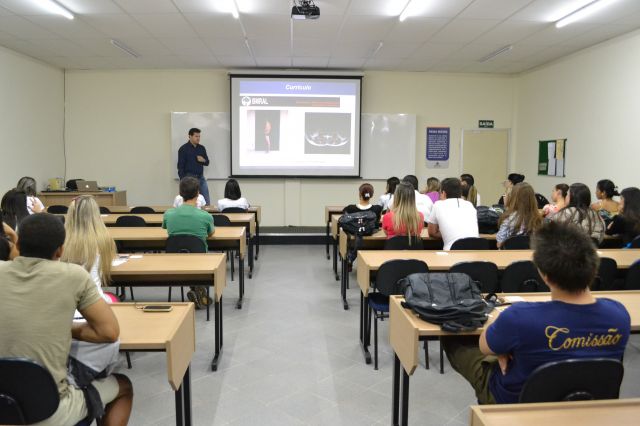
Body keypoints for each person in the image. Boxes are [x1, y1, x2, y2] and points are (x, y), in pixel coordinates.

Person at [441, 221, 630, 404]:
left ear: (543, 274)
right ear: (594, 267)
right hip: (588, 399)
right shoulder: (619, 316)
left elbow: (485, 347)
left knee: (452, 338)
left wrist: (501, 348)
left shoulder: (519, 317)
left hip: (516, 401)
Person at [0, 213, 133, 425]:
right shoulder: (74, 275)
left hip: (3, 407)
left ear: (18, 244)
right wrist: (66, 327)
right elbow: (109, 332)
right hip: (48, 412)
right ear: (61, 250)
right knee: (123, 386)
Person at [163, 177, 214, 309]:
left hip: (174, 262)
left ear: (180, 193)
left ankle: (196, 288)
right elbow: (210, 233)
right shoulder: (205, 216)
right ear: (198, 193)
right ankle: (198, 287)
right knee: (197, 254)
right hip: (200, 262)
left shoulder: (168, 214)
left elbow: (165, 228)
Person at [62, 195, 118, 303]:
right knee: (113, 297)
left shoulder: (60, 241)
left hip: (67, 302)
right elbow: (107, 266)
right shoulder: (104, 239)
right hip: (95, 302)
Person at [427, 178, 479, 250]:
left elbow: (432, 232)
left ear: (443, 193)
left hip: (452, 252)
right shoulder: (469, 205)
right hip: (476, 251)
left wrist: (447, 233)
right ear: (460, 193)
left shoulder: (438, 205)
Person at [496, 183, 542, 248]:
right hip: (531, 254)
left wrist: (506, 206)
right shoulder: (538, 219)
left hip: (510, 253)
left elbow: (499, 244)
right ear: (533, 199)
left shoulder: (508, 218)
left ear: (513, 198)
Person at [177, 127, 210, 205]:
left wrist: (203, 160)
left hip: (201, 178)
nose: (198, 138)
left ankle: (206, 212)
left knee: (206, 201)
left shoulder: (201, 148)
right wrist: (183, 181)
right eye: (196, 136)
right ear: (190, 136)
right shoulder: (183, 149)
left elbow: (207, 162)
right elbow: (180, 166)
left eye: (199, 136)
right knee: (189, 201)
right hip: (189, 178)